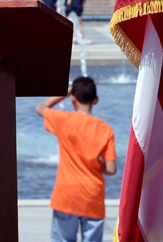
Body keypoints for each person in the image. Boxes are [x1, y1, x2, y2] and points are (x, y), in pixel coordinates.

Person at [35, 77, 116, 242]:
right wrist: (96, 165)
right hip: (93, 197)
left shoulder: (64, 120)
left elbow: (40, 108)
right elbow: (111, 169)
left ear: (73, 99)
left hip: (66, 195)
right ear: (96, 100)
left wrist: (64, 93)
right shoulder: (105, 129)